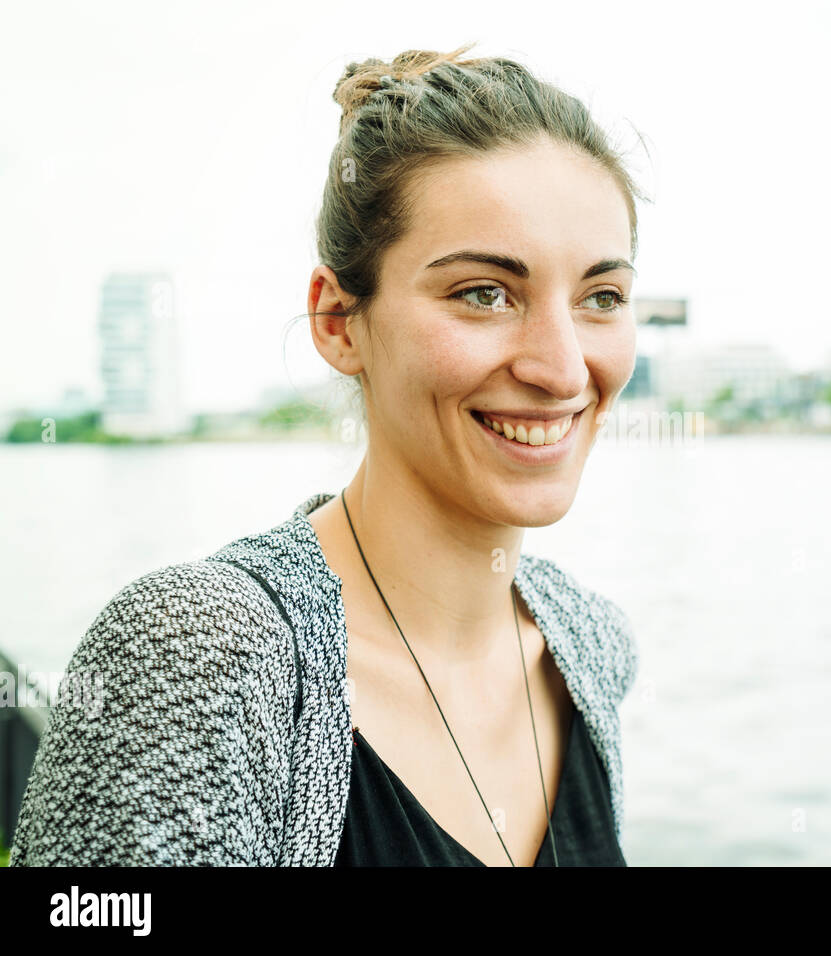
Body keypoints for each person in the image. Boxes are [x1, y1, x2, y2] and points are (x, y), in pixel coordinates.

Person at [8, 44, 644, 867]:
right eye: (483, 293)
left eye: (602, 297)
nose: (560, 369)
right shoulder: (199, 661)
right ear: (339, 321)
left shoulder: (588, 645)